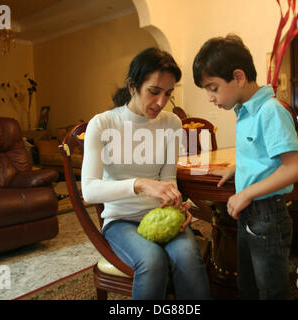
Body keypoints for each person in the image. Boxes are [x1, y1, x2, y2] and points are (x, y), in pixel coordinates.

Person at [81, 47, 210, 300]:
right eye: (154, 91)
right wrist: (139, 184)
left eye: (168, 94)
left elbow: (168, 178)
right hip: (120, 221)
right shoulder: (103, 123)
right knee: (152, 261)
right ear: (132, 86)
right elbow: (90, 190)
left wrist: (175, 205)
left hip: (160, 215)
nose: (161, 102)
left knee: (187, 257)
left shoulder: (172, 122)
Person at [193, 34, 298, 300]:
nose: (210, 97)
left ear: (239, 77)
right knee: (247, 285)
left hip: (268, 215)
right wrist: (237, 169)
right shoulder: (245, 111)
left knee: (271, 291)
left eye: (213, 87)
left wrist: (246, 192)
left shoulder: (270, 110)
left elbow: (295, 169)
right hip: (252, 213)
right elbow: (263, 156)